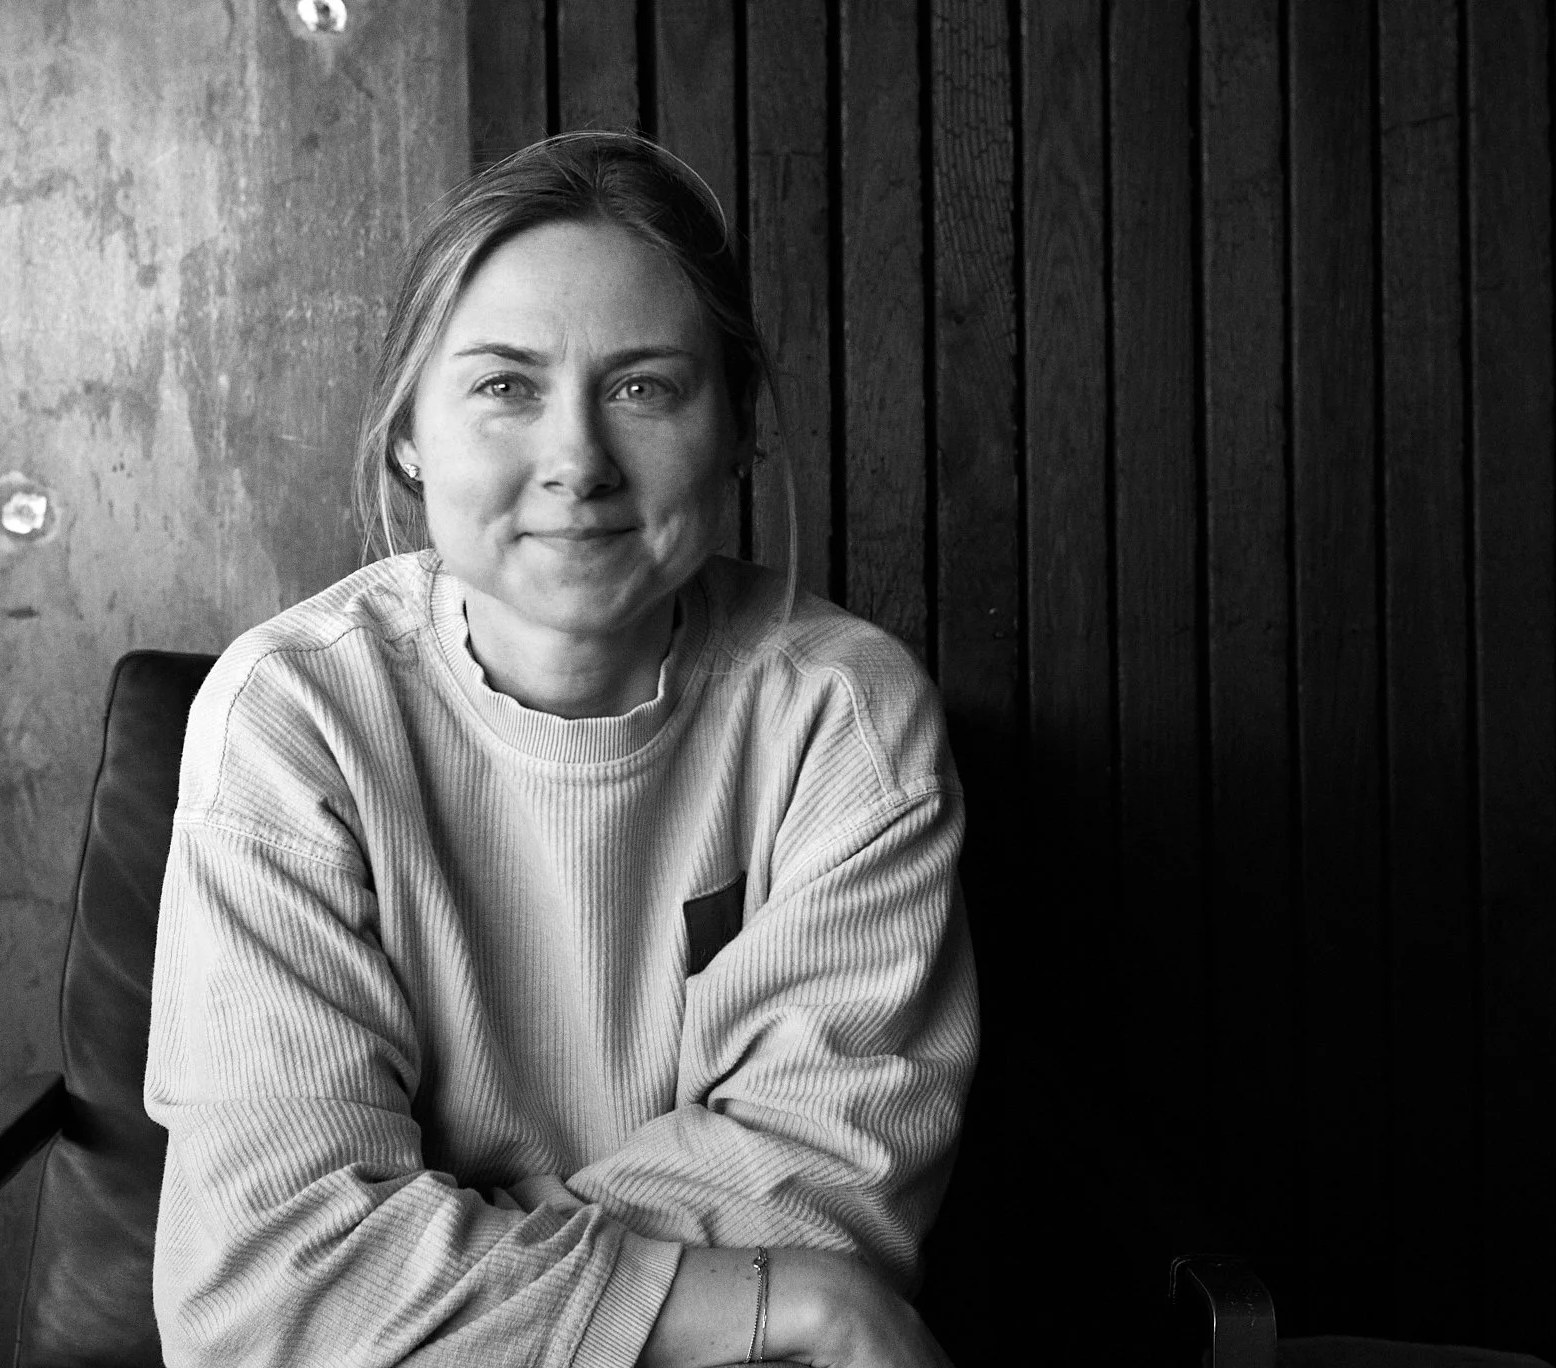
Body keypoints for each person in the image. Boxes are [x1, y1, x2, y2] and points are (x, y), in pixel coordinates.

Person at [144, 131, 977, 1368]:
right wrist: (756, 1299)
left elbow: (830, 1190)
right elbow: (271, 1287)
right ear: (408, 435)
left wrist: (414, 1281)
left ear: (737, 428)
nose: (577, 462)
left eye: (645, 387)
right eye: (503, 386)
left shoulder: (841, 716)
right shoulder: (291, 716)